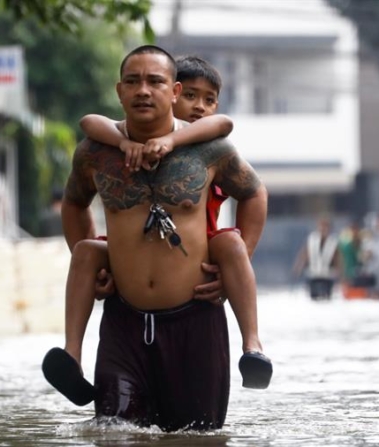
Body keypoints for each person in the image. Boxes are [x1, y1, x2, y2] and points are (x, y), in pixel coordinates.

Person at [56, 45, 268, 431]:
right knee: (114, 434)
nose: (143, 91)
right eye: (133, 82)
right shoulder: (96, 153)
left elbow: (254, 193)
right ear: (119, 91)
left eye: (154, 81)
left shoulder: (208, 149)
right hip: (124, 322)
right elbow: (72, 204)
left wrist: (236, 267)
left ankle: (252, 345)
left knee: (197, 437)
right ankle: (73, 355)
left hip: (195, 322)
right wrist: (99, 267)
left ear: (173, 91)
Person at [293, 217, 340, 300]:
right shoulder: (312, 239)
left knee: (326, 298)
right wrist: (298, 268)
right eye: (322, 226)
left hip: (328, 275)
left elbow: (337, 259)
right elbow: (304, 254)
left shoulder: (333, 241)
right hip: (313, 274)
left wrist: (340, 273)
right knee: (314, 298)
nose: (323, 229)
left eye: (326, 227)